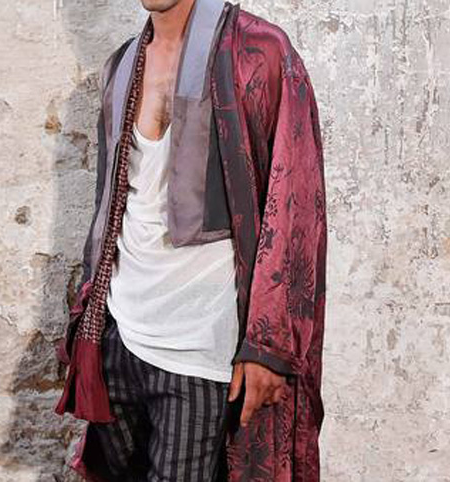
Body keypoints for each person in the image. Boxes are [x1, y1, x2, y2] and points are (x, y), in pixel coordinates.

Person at [54, 0, 328, 480]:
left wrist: (270, 346)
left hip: (200, 350)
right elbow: (111, 206)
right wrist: (91, 322)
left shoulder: (259, 53)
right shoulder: (121, 66)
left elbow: (296, 204)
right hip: (119, 337)